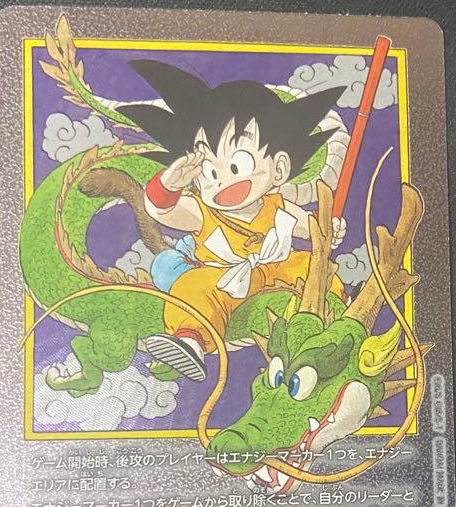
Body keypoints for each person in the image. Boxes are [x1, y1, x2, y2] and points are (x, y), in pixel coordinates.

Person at [117, 60, 346, 381]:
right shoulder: (202, 211)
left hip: (277, 270)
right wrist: (168, 184)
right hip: (222, 279)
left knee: (313, 267)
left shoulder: (277, 206)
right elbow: (161, 211)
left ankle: (338, 318)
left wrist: (328, 231)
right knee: (192, 286)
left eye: (237, 166)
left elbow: (311, 229)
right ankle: (190, 341)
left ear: (279, 169)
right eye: (210, 172)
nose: (222, 181)